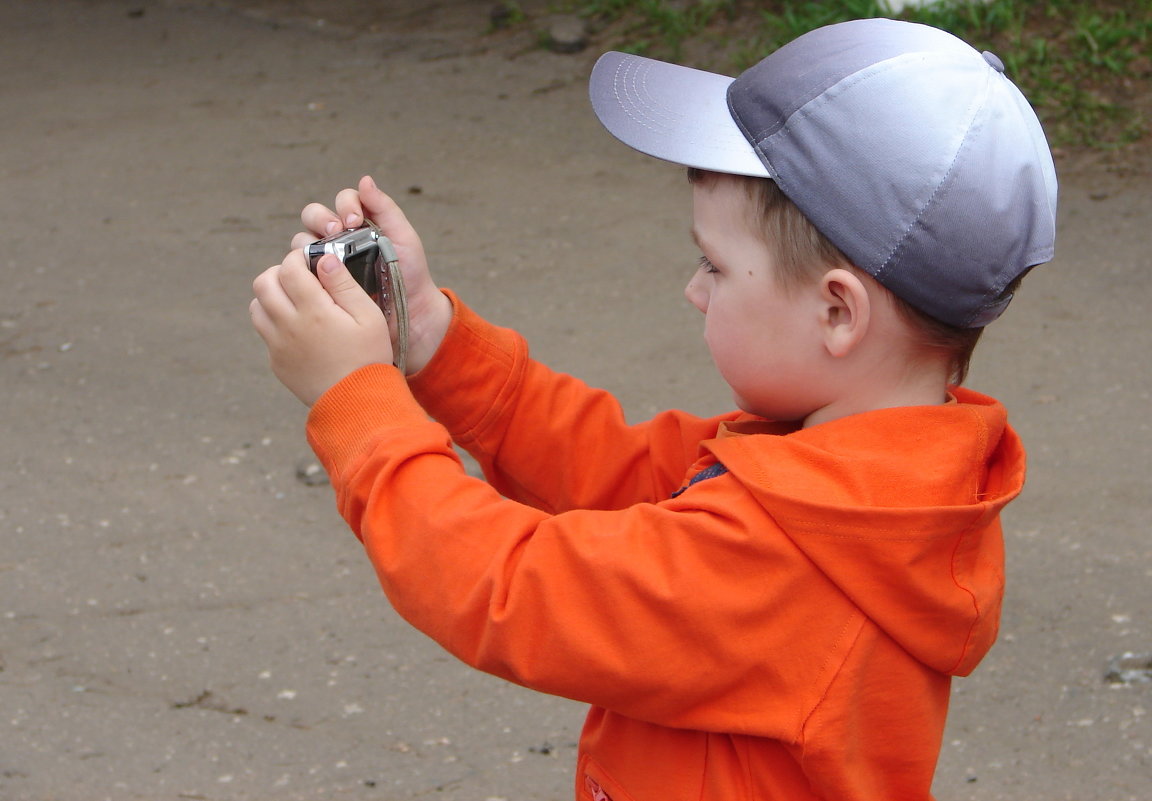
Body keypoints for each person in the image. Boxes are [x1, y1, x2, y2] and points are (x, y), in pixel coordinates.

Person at [250, 17, 1056, 801]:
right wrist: (430, 335)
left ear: (838, 312)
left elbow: (515, 587)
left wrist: (357, 405)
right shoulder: (866, 477)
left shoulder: (788, 552)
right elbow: (612, 468)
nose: (693, 289)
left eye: (714, 262)